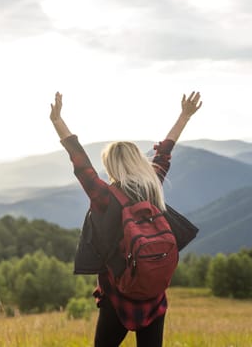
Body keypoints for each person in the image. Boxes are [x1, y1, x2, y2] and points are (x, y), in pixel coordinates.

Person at [50, 90, 202, 347]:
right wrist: (184, 116)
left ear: (111, 166)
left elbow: (81, 165)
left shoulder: (105, 198)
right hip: (154, 295)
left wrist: (58, 122)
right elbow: (165, 152)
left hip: (118, 296)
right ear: (136, 162)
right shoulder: (152, 187)